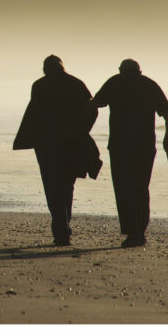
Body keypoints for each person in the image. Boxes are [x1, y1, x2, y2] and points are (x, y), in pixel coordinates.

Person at [13, 55, 102, 246]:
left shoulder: (39, 85)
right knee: (67, 186)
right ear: (62, 67)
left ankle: (61, 231)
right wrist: (80, 131)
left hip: (47, 144)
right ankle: (63, 229)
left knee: (53, 187)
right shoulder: (76, 83)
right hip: (72, 143)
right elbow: (93, 109)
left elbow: (35, 113)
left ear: (45, 69)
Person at [90, 59, 168, 248]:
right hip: (144, 146)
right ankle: (139, 232)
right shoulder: (149, 85)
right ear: (139, 71)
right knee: (140, 187)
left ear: (121, 71)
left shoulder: (115, 82)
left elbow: (94, 104)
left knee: (124, 188)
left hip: (120, 146)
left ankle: (133, 232)